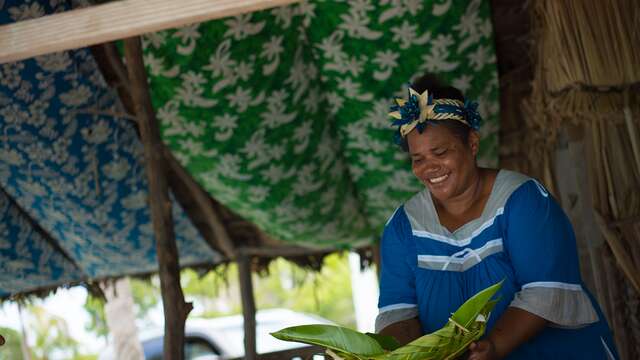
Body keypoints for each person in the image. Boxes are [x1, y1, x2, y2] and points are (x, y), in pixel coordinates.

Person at [375, 73, 619, 359]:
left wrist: (494, 346)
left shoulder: (522, 201)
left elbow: (545, 291)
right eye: (418, 159)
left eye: (440, 152)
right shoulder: (403, 228)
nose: (430, 167)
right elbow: (397, 313)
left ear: (473, 144)